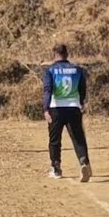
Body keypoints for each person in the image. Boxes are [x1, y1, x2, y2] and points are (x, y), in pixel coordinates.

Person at [42, 44, 92, 182]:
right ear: (67, 54)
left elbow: (47, 90)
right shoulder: (77, 70)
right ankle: (83, 162)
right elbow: (83, 89)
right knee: (78, 138)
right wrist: (81, 102)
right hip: (73, 108)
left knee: (54, 140)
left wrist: (45, 109)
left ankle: (56, 168)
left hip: (56, 108)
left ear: (54, 54)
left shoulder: (50, 71)